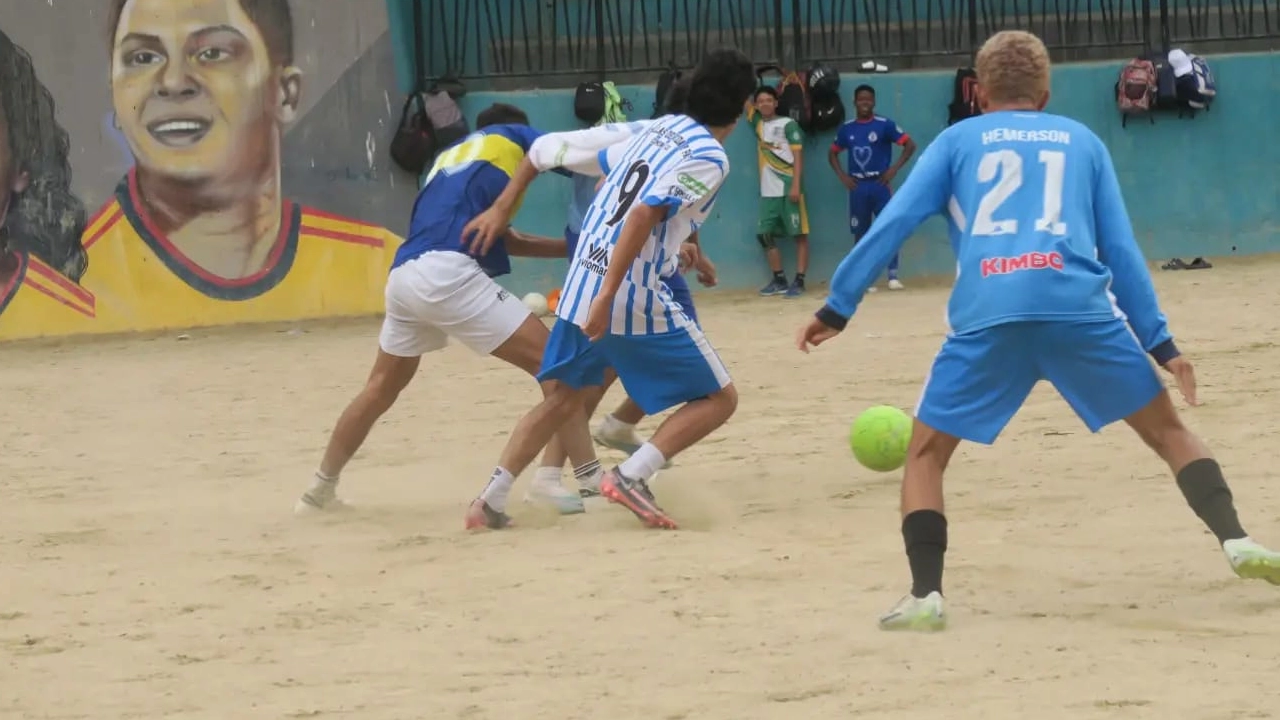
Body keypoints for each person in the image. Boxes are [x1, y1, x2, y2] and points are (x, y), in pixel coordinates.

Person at [797, 30, 1280, 632]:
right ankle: (1237, 540)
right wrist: (1162, 344)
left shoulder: (955, 142)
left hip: (990, 314)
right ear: (1045, 93)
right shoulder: (1083, 143)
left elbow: (893, 221)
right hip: (1079, 310)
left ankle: (926, 596)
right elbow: (1121, 249)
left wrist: (838, 307)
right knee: (1171, 434)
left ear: (977, 92)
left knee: (924, 455)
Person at [459, 48, 757, 531]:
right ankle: (631, 476)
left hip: (582, 279)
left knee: (563, 398)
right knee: (720, 399)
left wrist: (680, 246)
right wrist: (611, 292)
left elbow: (612, 188)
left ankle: (488, 501)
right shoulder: (710, 155)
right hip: (626, 291)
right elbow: (643, 212)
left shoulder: (654, 130)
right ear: (743, 106)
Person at [295, 103, 599, 517]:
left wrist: (568, 250)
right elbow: (568, 154)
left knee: (380, 387)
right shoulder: (513, 136)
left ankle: (318, 490)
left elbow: (504, 239)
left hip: (404, 275)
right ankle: (585, 482)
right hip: (446, 273)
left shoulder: (448, 162)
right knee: (561, 371)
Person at [828, 84, 916, 292]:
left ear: (874, 102)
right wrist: (843, 177)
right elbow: (832, 153)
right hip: (858, 186)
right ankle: (865, 278)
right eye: (861, 99)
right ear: (855, 102)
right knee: (861, 233)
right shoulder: (847, 129)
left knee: (889, 227)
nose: (864, 102)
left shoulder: (885, 125)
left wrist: (894, 169)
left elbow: (909, 145)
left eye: (868, 99)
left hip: (880, 185)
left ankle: (893, 275)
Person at [747, 87, 810, 298]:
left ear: (775, 103)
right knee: (764, 235)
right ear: (757, 105)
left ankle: (799, 280)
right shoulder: (758, 125)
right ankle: (779, 279)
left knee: (799, 234)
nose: (764, 104)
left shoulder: (788, 124)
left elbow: (798, 156)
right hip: (768, 192)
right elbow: (743, 102)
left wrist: (795, 185)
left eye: (768, 100)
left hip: (789, 187)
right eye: (760, 101)